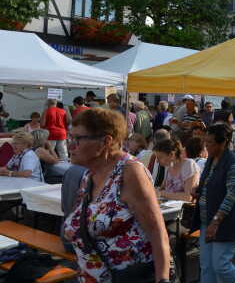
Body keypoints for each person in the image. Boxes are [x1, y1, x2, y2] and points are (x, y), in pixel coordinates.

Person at [63, 108, 171, 282]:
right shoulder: (89, 174)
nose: (70, 145)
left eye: (78, 139)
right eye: (70, 137)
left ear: (106, 141)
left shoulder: (129, 172)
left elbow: (157, 233)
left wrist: (163, 279)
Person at [192, 123, 235, 283]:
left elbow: (232, 195)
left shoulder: (233, 163)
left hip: (224, 223)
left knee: (220, 265)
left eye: (210, 142)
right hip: (206, 220)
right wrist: (199, 189)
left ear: (222, 143)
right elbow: (210, 183)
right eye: (205, 141)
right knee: (207, 266)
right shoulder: (211, 159)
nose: (206, 145)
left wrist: (216, 222)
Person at [153, 138, 199, 202]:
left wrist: (162, 193)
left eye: (160, 157)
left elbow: (188, 197)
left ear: (171, 154)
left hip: (182, 209)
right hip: (169, 206)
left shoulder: (189, 165)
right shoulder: (170, 166)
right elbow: (161, 189)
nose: (157, 161)